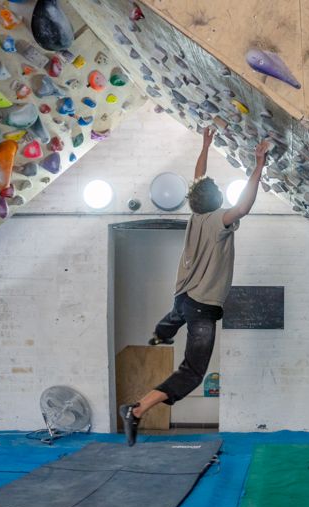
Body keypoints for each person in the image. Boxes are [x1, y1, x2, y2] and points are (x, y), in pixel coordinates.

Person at [119, 126, 270, 446]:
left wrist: (205, 143)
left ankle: (162, 332)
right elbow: (243, 207)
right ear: (216, 200)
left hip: (184, 297)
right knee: (192, 372)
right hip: (202, 304)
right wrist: (259, 164)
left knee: (174, 318)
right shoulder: (219, 221)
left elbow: (198, 177)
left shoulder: (196, 216)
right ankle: (136, 410)